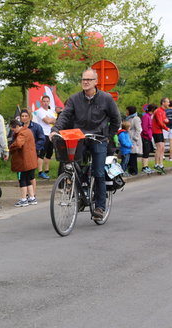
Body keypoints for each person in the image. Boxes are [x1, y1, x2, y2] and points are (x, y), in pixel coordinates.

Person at [50, 68, 121, 220]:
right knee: (72, 165)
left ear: (96, 82)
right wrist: (55, 130)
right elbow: (65, 115)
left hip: (99, 138)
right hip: (80, 137)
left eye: (89, 79)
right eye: (83, 79)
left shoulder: (106, 98)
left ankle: (100, 207)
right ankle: (80, 192)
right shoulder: (75, 99)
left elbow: (116, 119)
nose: (85, 82)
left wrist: (108, 136)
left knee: (99, 172)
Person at [9, 119, 38, 207]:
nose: (13, 132)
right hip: (30, 160)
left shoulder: (21, 133)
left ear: (17, 127)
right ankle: (32, 198)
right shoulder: (28, 131)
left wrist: (10, 147)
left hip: (23, 161)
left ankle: (23, 199)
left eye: (13, 130)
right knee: (28, 179)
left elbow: (18, 144)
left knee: (22, 180)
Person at [19, 108, 44, 197]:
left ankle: (32, 194)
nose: (24, 118)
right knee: (22, 174)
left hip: (32, 154)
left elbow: (41, 139)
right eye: (22, 116)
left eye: (26, 116)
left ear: (30, 117)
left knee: (31, 174)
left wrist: (34, 148)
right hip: (21, 154)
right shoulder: (19, 127)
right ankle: (25, 193)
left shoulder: (37, 127)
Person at [34, 95, 57, 179]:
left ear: (49, 102)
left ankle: (46, 171)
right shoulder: (40, 111)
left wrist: (51, 120)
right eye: (44, 101)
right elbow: (47, 121)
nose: (45, 103)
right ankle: (40, 172)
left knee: (49, 153)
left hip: (51, 134)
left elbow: (56, 121)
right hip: (43, 134)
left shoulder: (51, 111)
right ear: (41, 102)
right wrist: (51, 120)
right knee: (41, 153)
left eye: (47, 101)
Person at [152, 97, 170, 174]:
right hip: (156, 131)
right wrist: (167, 128)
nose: (169, 103)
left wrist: (167, 121)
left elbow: (165, 120)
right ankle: (156, 164)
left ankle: (161, 164)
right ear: (163, 103)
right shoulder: (158, 111)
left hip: (160, 131)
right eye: (167, 102)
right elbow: (159, 122)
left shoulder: (163, 111)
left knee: (162, 148)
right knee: (159, 148)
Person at [125, 106, 142, 176]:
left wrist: (135, 138)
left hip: (133, 139)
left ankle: (134, 170)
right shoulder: (128, 118)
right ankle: (130, 170)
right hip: (128, 138)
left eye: (127, 110)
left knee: (133, 155)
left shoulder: (136, 118)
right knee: (129, 155)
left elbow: (138, 129)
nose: (126, 112)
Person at [141, 104, 156, 174]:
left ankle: (146, 166)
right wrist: (148, 134)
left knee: (147, 152)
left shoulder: (149, 116)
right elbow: (145, 128)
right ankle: (144, 167)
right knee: (146, 152)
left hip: (149, 136)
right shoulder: (146, 116)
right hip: (145, 137)